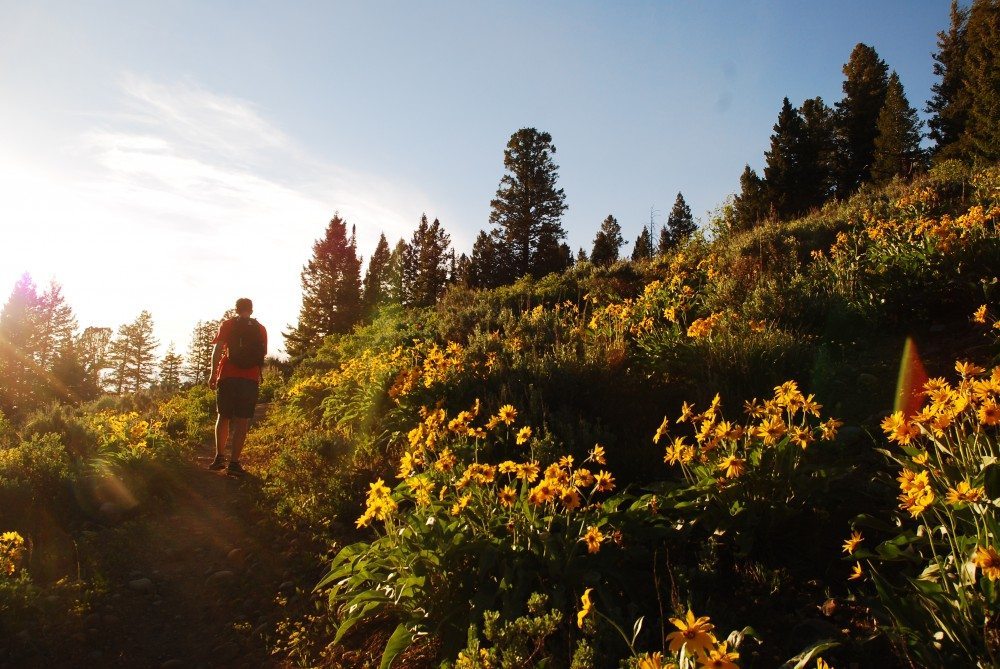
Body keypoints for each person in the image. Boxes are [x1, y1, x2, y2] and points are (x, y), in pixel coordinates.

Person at [208, 298, 267, 475]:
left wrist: (212, 374)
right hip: (250, 378)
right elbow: (261, 355)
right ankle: (234, 462)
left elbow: (217, 350)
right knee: (243, 420)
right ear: (251, 309)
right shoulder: (260, 328)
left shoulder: (227, 324)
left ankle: (219, 457)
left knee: (223, 416)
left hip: (227, 375)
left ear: (236, 309)